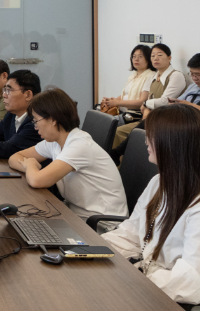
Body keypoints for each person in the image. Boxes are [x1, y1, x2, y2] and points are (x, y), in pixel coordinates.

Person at [102, 104, 200, 307]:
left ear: (173, 143)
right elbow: (130, 234)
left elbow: (189, 280)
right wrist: (93, 250)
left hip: (177, 307)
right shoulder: (160, 182)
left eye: (152, 136)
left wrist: (130, 280)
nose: (146, 141)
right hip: (150, 285)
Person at [9, 88, 127, 220]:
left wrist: (30, 165)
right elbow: (14, 158)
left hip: (101, 223)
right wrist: (30, 168)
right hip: (75, 214)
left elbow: (36, 180)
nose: (35, 127)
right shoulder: (55, 141)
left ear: (53, 119)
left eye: (36, 121)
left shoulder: (79, 145)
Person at [113, 44, 186, 149]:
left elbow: (165, 101)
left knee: (121, 133)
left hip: (166, 120)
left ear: (169, 58)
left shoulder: (176, 75)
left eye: (159, 55)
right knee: (117, 131)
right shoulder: (153, 77)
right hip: (150, 118)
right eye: (153, 56)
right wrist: (146, 108)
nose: (155, 58)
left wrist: (146, 105)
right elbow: (149, 101)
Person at [99, 44, 154, 115]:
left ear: (148, 59)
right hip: (123, 111)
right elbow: (126, 95)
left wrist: (118, 102)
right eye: (134, 56)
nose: (136, 59)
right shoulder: (134, 75)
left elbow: (142, 102)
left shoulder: (150, 76)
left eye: (140, 56)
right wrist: (111, 101)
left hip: (134, 114)